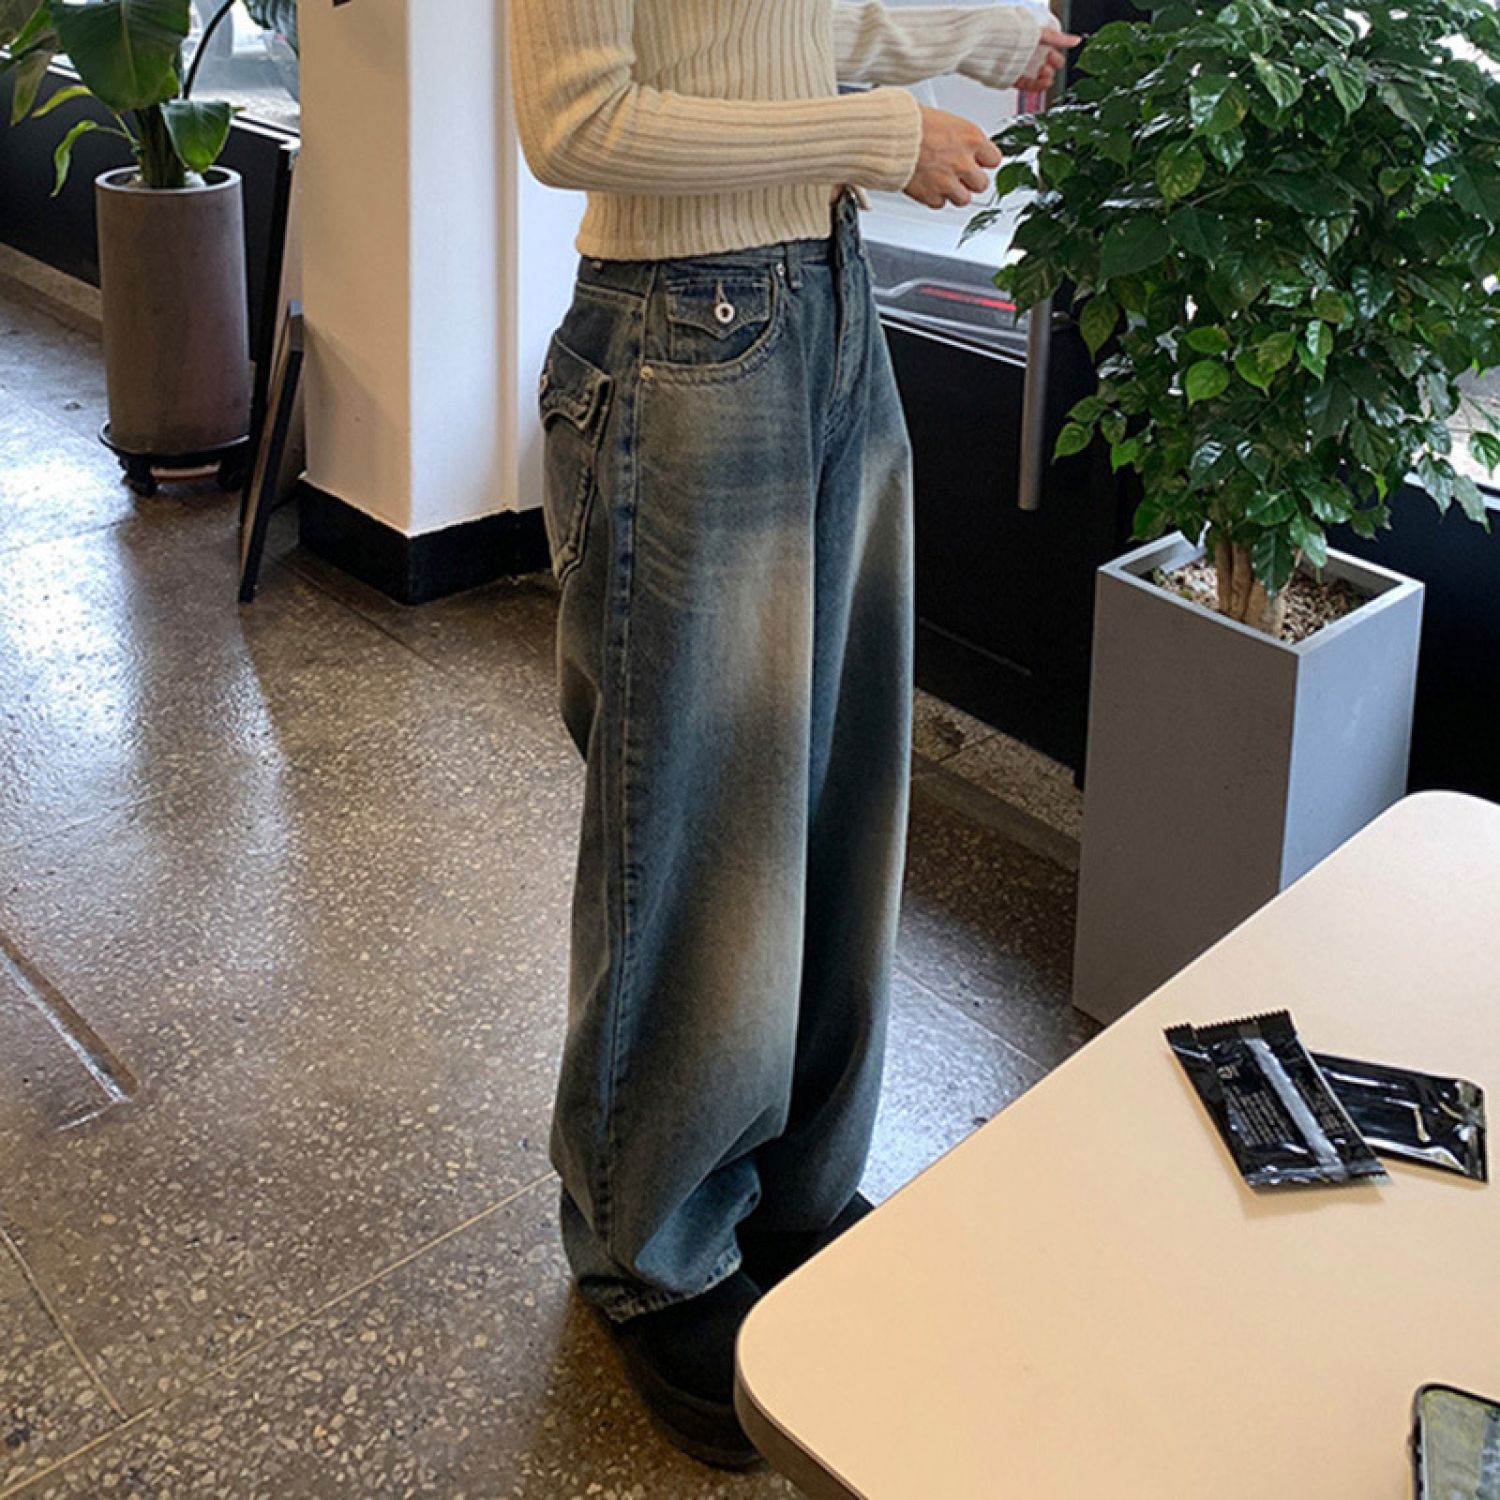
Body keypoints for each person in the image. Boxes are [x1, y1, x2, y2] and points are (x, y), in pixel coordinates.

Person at [508, 0, 1078, 1469]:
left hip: (827, 307)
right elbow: (575, 123)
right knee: (696, 818)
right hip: (679, 331)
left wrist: (995, 40)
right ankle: (652, 1249)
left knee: (837, 794)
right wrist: (885, 137)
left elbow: (800, 25)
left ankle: (796, 1194)